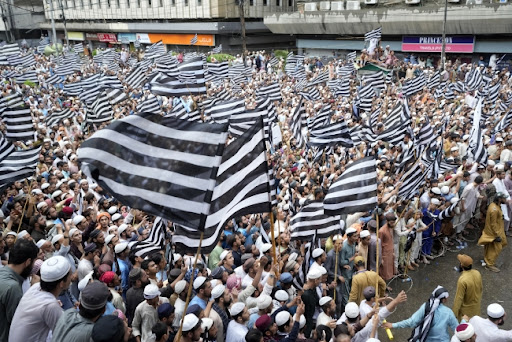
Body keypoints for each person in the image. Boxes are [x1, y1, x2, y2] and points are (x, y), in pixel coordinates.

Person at [9, 256, 71, 342]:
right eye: (70, 275)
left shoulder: (35, 287)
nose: (71, 278)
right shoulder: (50, 305)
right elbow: (66, 335)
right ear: (61, 283)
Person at [384, 286, 458, 342]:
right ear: (444, 299)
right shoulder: (448, 312)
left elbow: (411, 322)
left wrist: (393, 325)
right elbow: (457, 329)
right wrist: (464, 321)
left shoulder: (425, 307)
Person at [0, 239, 39, 342]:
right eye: (34, 262)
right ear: (28, 262)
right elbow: (21, 324)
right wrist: (35, 291)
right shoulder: (12, 288)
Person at [478, 192, 508, 272]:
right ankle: (489, 265)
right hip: (494, 233)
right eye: (504, 198)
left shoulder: (495, 206)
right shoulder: (494, 209)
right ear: (499, 199)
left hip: (496, 230)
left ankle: (488, 260)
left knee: (490, 248)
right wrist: (497, 235)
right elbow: (493, 224)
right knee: (496, 249)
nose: (505, 200)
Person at [452, 254, 482, 321]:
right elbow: (480, 289)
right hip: (476, 308)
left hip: (466, 312)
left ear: (461, 265)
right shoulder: (477, 273)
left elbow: (458, 298)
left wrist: (454, 314)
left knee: (466, 330)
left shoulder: (462, 280)